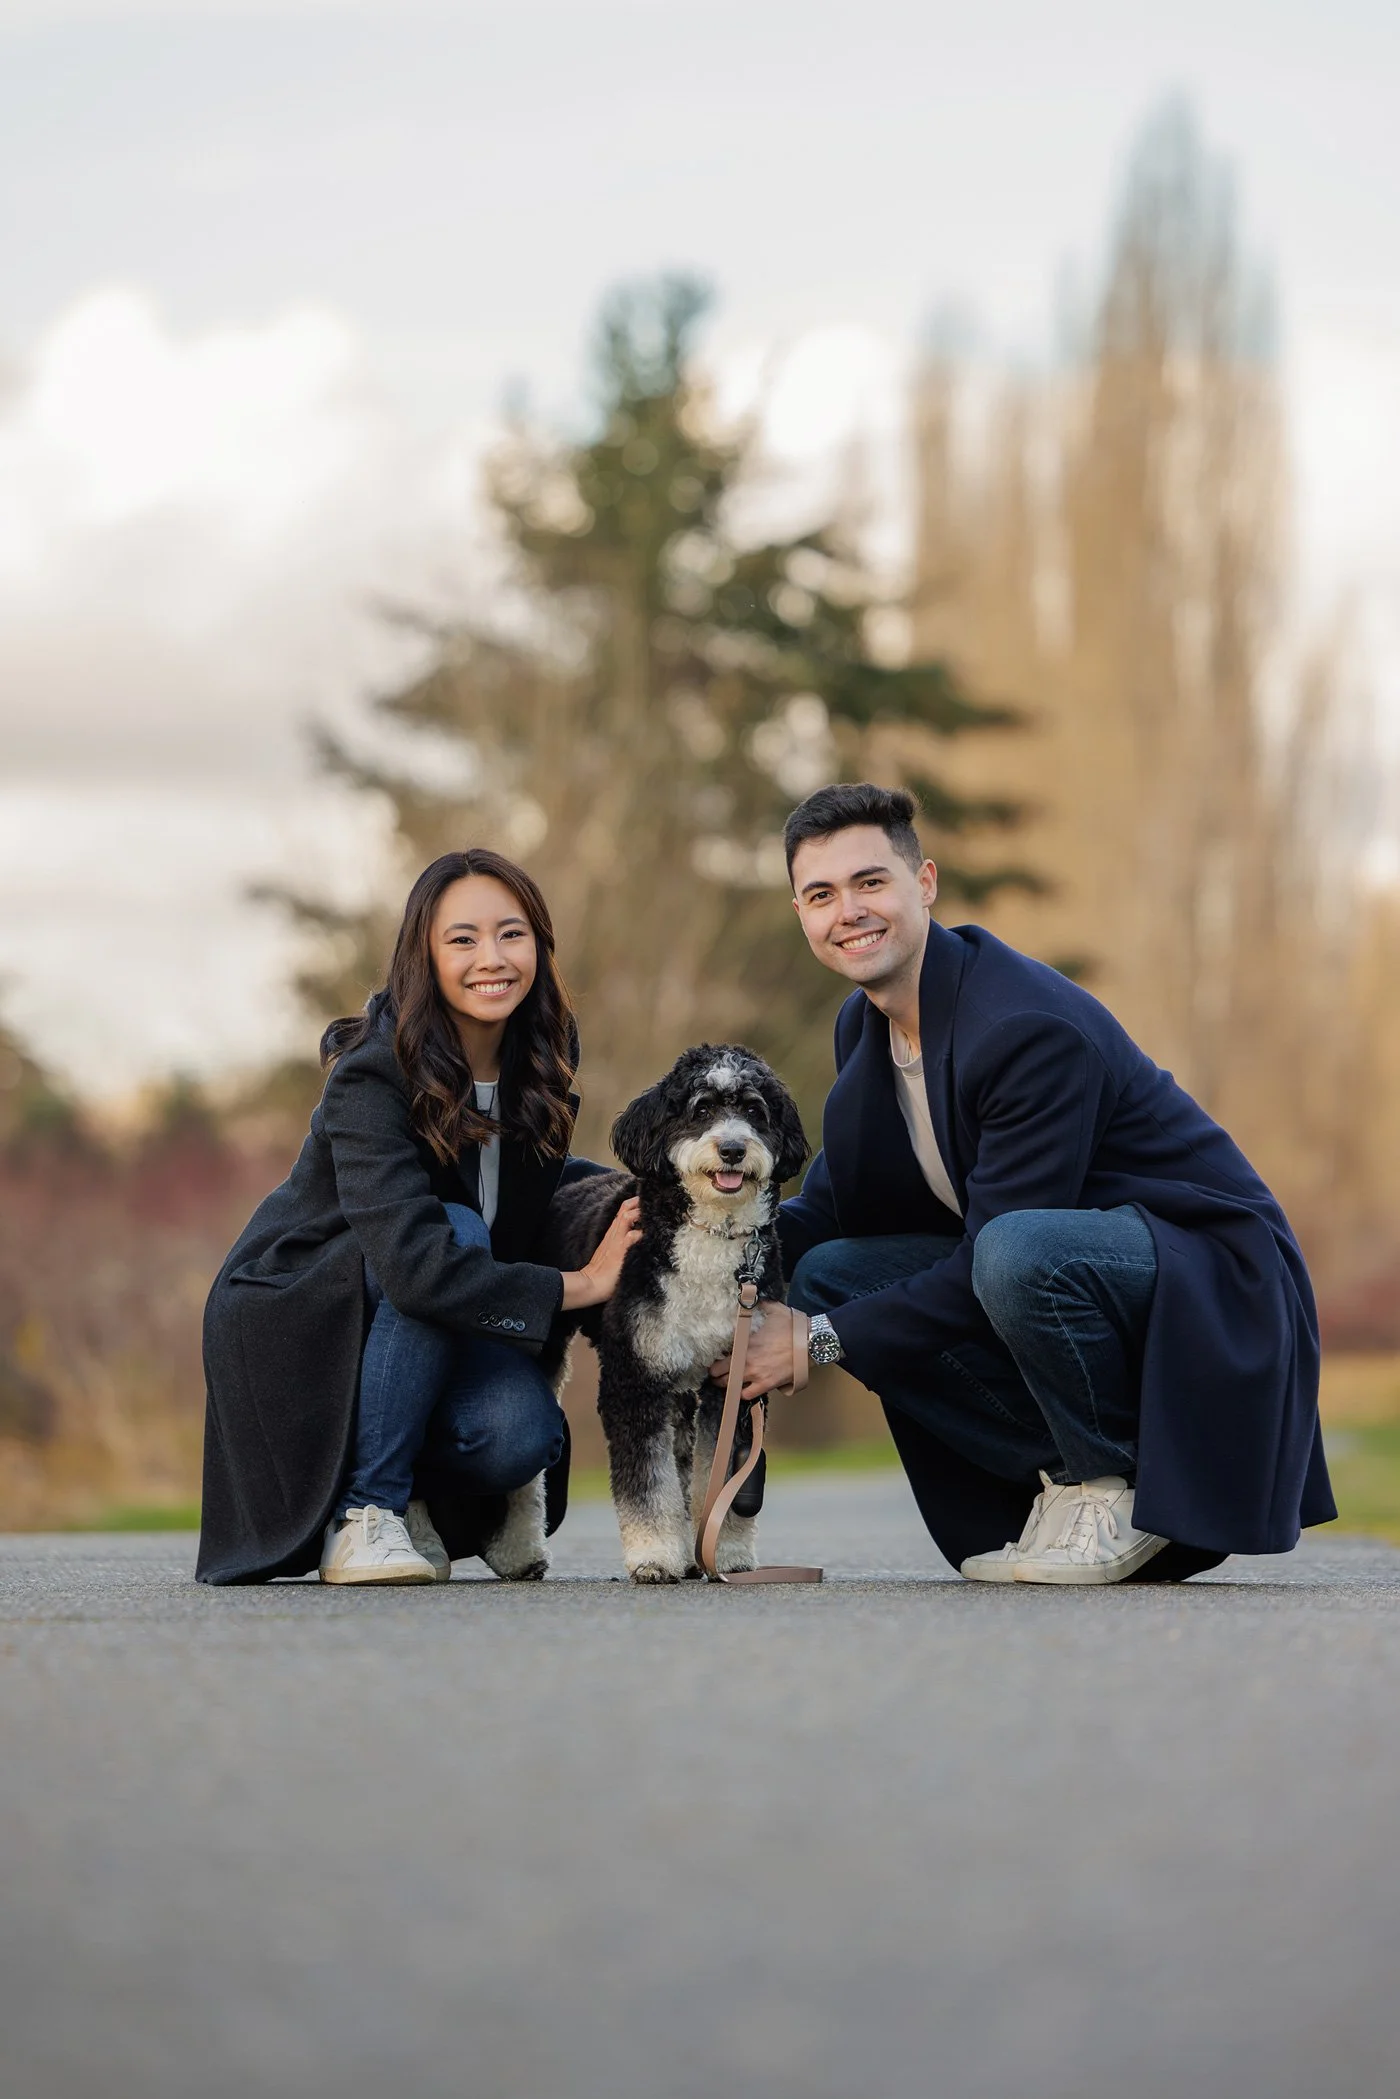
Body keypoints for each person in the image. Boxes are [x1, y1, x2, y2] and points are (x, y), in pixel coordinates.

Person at [720, 782, 1334, 1584]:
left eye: (871, 882)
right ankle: (1069, 1486)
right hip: (1070, 1272)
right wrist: (711, 1248)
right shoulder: (865, 1024)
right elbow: (838, 1202)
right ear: (801, 913)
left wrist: (817, 1339)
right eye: (821, 894)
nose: (849, 912)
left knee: (1012, 1250)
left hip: (1208, 1270)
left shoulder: (1020, 1029)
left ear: (925, 882)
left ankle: (1114, 1481)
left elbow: (990, 1254)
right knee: (835, 1268)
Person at [197, 849, 639, 1586]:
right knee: (451, 1229)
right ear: (423, 955)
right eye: (462, 939)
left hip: (429, 1315)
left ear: (539, 944)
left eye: (512, 933)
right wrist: (578, 1285)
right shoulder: (375, 1070)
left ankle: (407, 1488)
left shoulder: (545, 1055)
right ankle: (367, 1512)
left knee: (521, 1433)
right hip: (308, 1317)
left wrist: (653, 1212)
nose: (491, 958)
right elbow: (418, 1262)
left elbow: (535, 1196)